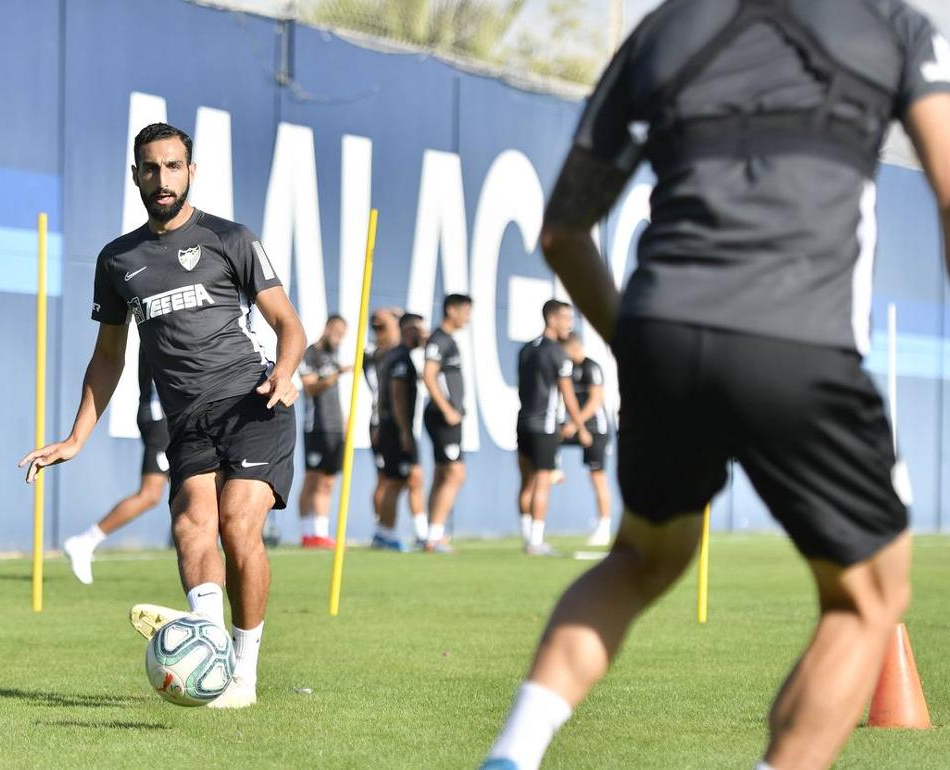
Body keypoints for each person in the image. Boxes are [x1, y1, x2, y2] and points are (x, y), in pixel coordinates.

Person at [481, 2, 949, 768]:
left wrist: (635, 346)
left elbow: (563, 233)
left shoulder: (666, 27)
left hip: (664, 328)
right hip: (796, 341)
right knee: (867, 599)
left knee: (639, 560)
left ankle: (511, 754)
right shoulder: (892, 24)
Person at [20, 122, 305, 710]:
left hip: (254, 400)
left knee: (236, 524)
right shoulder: (119, 260)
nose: (162, 178)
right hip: (186, 418)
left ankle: (243, 674)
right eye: (151, 168)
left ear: (191, 172)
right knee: (188, 526)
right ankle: (208, 648)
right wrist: (76, 438)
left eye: (173, 166)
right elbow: (107, 358)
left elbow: (289, 324)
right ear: (136, 175)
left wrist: (286, 367)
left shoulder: (232, 239)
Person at [61, 351, 169, 584]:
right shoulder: (163, 325)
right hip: (161, 415)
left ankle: (207, 567)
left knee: (193, 492)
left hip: (174, 414)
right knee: (150, 494)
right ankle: (85, 542)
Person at [514, 300, 592, 557]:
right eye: (566, 318)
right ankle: (536, 541)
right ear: (552, 319)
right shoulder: (557, 353)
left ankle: (528, 537)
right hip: (545, 425)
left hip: (523, 422)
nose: (570, 324)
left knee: (526, 482)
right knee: (543, 482)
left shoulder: (526, 349)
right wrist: (581, 427)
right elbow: (568, 395)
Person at [421, 293, 472, 553]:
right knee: (455, 473)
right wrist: (448, 410)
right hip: (442, 417)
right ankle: (434, 536)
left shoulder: (448, 340)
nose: (468, 316)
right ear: (451, 310)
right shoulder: (439, 339)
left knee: (443, 473)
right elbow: (428, 375)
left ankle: (432, 533)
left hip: (448, 416)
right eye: (465, 311)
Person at [372, 313, 427, 551]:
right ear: (407, 331)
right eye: (419, 330)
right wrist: (405, 432)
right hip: (395, 429)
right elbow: (397, 397)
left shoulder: (396, 356)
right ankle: (387, 534)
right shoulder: (401, 358)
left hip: (392, 427)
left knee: (405, 480)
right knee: (395, 482)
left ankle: (388, 533)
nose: (424, 335)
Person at [296, 314, 350, 549]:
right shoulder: (312, 353)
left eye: (342, 335)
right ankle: (308, 531)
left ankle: (321, 531)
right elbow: (310, 387)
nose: (338, 338)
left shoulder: (334, 355)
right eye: (336, 332)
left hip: (335, 427)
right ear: (327, 328)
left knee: (328, 480)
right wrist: (334, 376)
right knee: (313, 478)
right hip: (316, 426)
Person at [560, 334, 612, 547]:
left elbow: (595, 401)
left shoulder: (592, 368)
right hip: (576, 426)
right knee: (548, 444)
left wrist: (577, 424)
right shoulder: (566, 370)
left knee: (597, 477)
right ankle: (554, 468)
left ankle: (604, 526)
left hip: (595, 429)